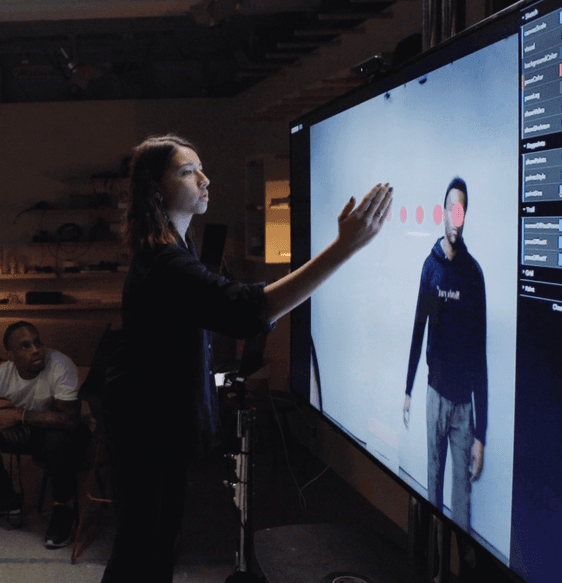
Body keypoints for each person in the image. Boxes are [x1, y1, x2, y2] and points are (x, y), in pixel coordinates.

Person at [100, 134, 392, 582]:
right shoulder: (165, 262)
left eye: (200, 167)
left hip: (149, 428)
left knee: (153, 553)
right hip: (144, 434)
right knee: (140, 558)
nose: (204, 178)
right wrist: (344, 247)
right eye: (186, 171)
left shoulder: (176, 247)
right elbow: (245, 310)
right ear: (155, 190)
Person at [0, 321, 92, 549]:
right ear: (10, 356)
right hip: (26, 431)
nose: (36, 350)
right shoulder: (3, 373)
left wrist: (18, 417)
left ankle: (63, 508)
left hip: (66, 434)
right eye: (25, 346)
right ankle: (5, 498)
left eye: (37, 342)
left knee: (57, 439)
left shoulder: (60, 365)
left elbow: (69, 419)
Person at [403, 177, 486, 531]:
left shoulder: (473, 274)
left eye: (461, 209)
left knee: (461, 506)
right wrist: (408, 389)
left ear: (464, 215)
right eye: (451, 208)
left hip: (463, 408)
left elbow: (481, 352)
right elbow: (418, 328)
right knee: (431, 493)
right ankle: (431, 569)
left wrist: (482, 433)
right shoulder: (430, 266)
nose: (456, 216)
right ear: (442, 212)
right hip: (434, 396)